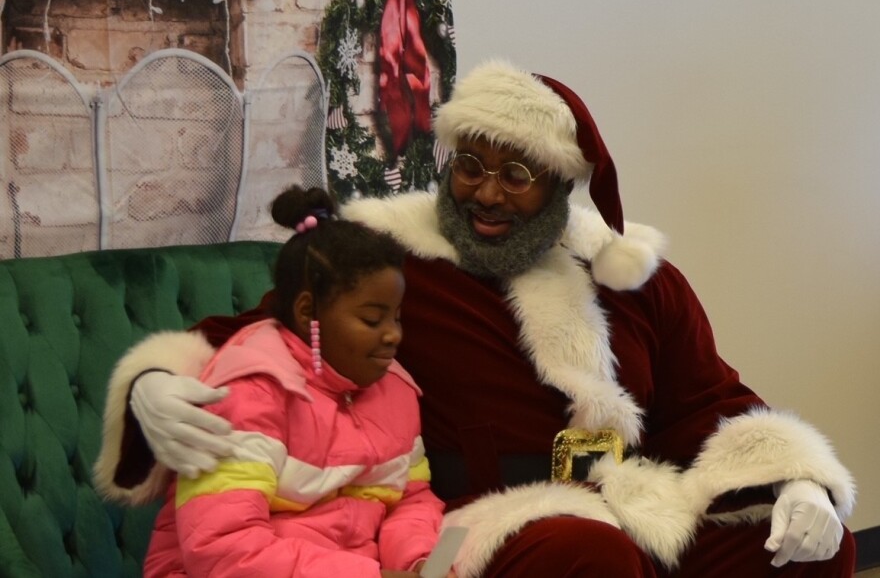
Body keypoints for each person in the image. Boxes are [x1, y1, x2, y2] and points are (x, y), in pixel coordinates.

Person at [95, 60, 857, 577]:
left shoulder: (636, 282)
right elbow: (270, 333)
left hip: (633, 500)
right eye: (471, 166)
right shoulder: (389, 254)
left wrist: (795, 481)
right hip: (460, 522)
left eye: (518, 175)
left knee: (808, 546)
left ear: (565, 184)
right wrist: (152, 385)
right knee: (583, 554)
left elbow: (707, 403)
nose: (487, 194)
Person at [136, 185, 448, 577]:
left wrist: (420, 562)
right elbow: (222, 550)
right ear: (307, 313)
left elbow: (410, 501)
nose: (393, 335)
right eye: (372, 319)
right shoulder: (247, 393)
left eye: (397, 317)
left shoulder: (396, 392)